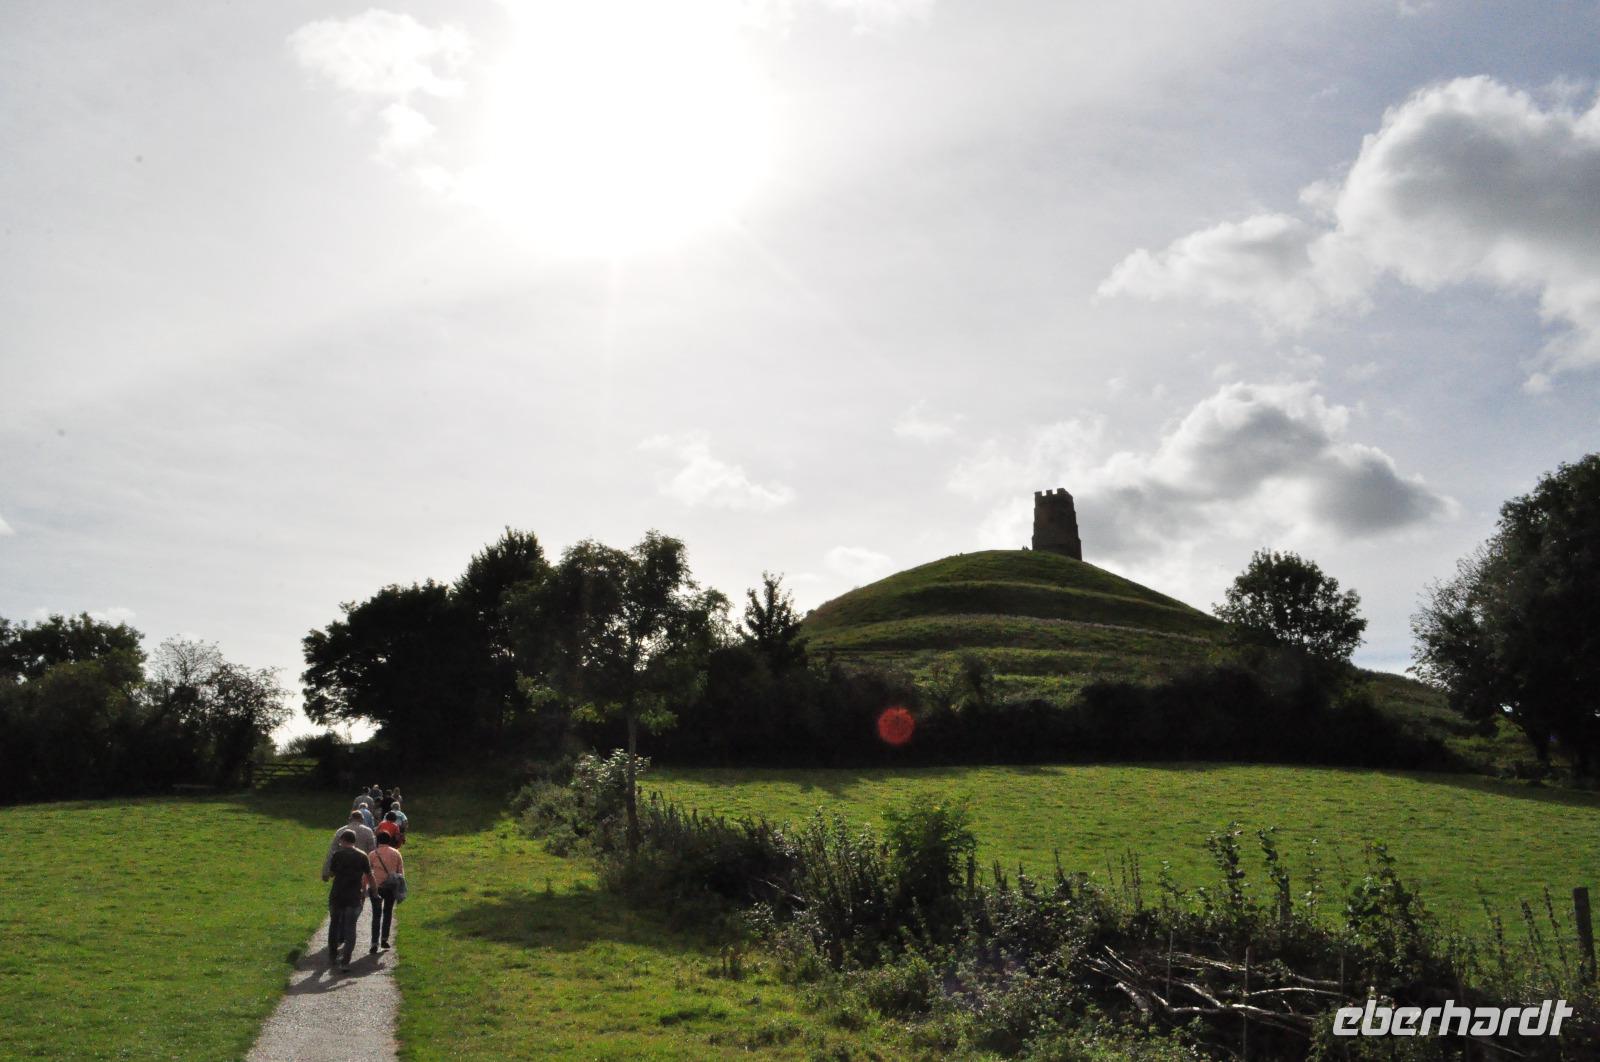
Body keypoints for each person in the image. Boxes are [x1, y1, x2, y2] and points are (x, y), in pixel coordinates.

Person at [322, 829, 373, 972]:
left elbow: (331, 873)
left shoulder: (337, 855)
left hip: (337, 894)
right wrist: (374, 891)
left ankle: (333, 955)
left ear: (343, 840)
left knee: (334, 925)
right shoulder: (362, 856)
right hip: (354, 895)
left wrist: (330, 874)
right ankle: (346, 961)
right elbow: (369, 875)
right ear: (354, 840)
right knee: (350, 928)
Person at [367, 831, 404, 952]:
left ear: (378, 840)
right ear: (389, 840)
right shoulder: (396, 853)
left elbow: (366, 873)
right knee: (388, 912)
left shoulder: (372, 854)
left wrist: (363, 888)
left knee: (376, 915)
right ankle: (384, 938)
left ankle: (374, 942)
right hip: (390, 887)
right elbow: (400, 872)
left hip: (376, 887)